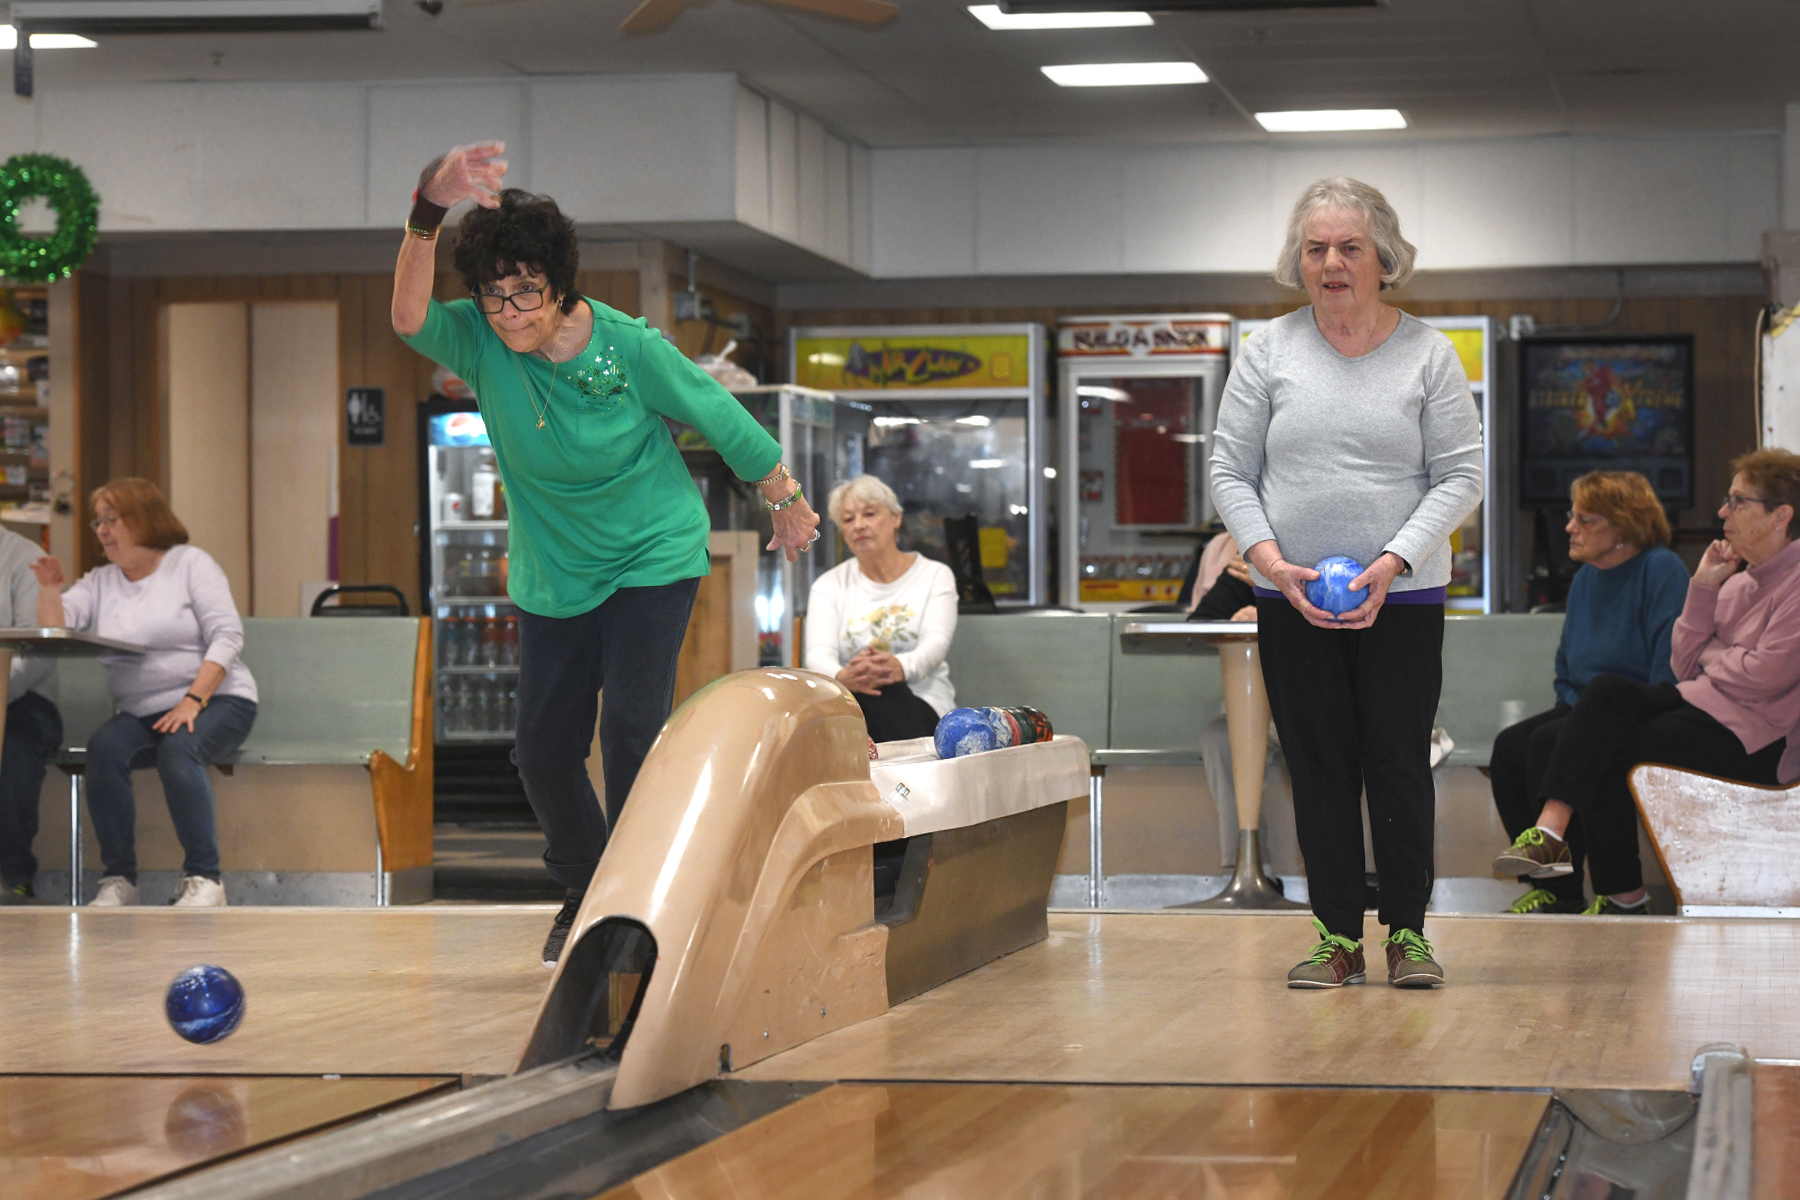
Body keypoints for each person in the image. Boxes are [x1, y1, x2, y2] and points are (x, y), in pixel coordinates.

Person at [391, 142, 821, 967]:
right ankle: (587, 888)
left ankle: (638, 901)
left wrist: (784, 496)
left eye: (527, 293)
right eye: (494, 297)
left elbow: (716, 413)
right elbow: (409, 316)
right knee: (544, 752)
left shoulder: (628, 347)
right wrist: (426, 207)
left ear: (560, 285)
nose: (511, 313)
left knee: (629, 727)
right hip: (555, 571)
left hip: (652, 555)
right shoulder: (482, 346)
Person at [1210, 176, 1484, 990]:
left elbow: (1460, 476)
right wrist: (1267, 561)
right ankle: (1335, 936)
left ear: (1384, 259)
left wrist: (1393, 560)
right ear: (1299, 261)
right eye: (1315, 248)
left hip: (1402, 598)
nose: (1331, 263)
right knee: (1319, 763)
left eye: (1349, 247)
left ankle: (1408, 932)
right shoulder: (1266, 352)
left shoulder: (1429, 355)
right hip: (1289, 597)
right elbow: (1230, 469)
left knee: (1397, 761)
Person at [1493, 450, 1800, 915]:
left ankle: (1617, 890)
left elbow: (1764, 676)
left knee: (1605, 733)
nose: (1723, 512)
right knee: (1601, 702)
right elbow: (1686, 659)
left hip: (1760, 738)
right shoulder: (1737, 583)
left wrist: (1717, 658)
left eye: (1737, 501)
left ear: (1780, 516)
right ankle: (1563, 844)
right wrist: (1702, 587)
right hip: (1708, 710)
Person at [31, 479, 258, 908]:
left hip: (219, 700)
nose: (101, 530)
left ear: (144, 519)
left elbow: (228, 636)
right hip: (143, 711)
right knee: (103, 748)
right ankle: (120, 880)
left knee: (179, 747)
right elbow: (56, 629)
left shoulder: (191, 564)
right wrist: (49, 589)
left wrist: (193, 700)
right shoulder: (100, 581)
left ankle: (205, 879)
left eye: (112, 520)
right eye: (98, 522)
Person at [1490, 472, 1687, 916]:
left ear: (1623, 528)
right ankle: (1556, 889)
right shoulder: (1585, 580)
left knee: (1553, 740)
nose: (1569, 527)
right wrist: (1572, 707)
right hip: (1587, 706)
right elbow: (1568, 665)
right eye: (1570, 516)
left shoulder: (1662, 569)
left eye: (1584, 519)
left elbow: (1669, 666)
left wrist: (1584, 716)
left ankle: (1605, 893)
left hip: (1646, 703)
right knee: (1511, 748)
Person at [804, 475, 957, 742]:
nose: (859, 525)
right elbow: (818, 655)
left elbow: (936, 643)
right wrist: (844, 676)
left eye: (870, 514)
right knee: (858, 701)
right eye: (848, 519)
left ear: (896, 518)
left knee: (885, 692)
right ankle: (906, 782)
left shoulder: (935, 575)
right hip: (852, 702)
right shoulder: (828, 586)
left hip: (924, 702)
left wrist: (897, 667)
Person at [1187, 533, 1297, 879]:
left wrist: (1274, 599)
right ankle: (1246, 871)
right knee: (1221, 734)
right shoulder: (1240, 555)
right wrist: (1248, 601)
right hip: (1257, 706)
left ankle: (1354, 877)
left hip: (1321, 703)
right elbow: (1198, 625)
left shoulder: (1322, 550)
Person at [0, 528, 62, 905]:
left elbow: (39, 648)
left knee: (13, 750)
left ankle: (13, 875)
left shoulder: (23, 558)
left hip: (24, 699)